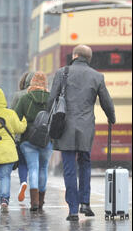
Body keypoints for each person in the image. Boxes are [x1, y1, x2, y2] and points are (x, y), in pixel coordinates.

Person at [47, 44, 115, 221]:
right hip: (85, 127)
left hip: (65, 126)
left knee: (69, 168)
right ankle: (86, 202)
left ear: (75, 55)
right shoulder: (97, 76)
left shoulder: (62, 72)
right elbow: (106, 101)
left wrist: (47, 117)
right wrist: (111, 117)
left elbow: (52, 98)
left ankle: (73, 209)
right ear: (89, 58)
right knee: (85, 164)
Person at [14, 71, 52, 212]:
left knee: (33, 168)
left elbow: (16, 117)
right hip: (46, 140)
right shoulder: (51, 99)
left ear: (32, 83)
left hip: (28, 140)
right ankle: (41, 201)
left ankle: (34, 202)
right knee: (43, 168)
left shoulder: (25, 99)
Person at [10, 72, 34, 202]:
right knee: (36, 166)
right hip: (37, 136)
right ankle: (37, 197)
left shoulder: (18, 95)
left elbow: (12, 115)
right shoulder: (44, 94)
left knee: (23, 163)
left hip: (21, 135)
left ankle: (23, 182)